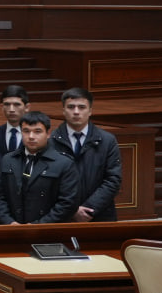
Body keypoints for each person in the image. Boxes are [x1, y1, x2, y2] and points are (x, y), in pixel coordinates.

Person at [0, 111, 80, 224]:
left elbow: (68, 203)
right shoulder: (8, 160)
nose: (31, 137)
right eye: (26, 131)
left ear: (48, 133)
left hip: (47, 229)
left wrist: (37, 226)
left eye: (37, 131)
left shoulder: (64, 163)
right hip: (12, 227)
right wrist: (9, 222)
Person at [50, 88, 122, 222]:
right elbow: (47, 183)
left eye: (82, 107)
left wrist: (89, 208)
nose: (76, 112)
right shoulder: (51, 142)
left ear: (90, 111)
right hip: (61, 216)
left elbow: (113, 180)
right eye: (71, 107)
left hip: (99, 214)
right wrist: (71, 210)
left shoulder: (107, 141)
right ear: (63, 110)